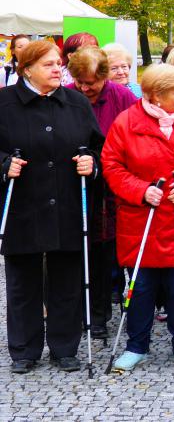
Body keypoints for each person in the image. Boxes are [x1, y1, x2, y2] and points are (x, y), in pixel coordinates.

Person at [102, 63, 174, 371]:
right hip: (142, 219)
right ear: (156, 95)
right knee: (140, 287)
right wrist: (140, 190)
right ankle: (136, 346)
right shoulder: (126, 123)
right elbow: (111, 165)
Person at [0, 40, 103, 374]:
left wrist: (92, 162)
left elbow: (98, 148)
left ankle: (64, 347)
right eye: (48, 64)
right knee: (22, 282)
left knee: (67, 280)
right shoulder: (4, 103)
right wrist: (3, 164)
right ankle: (24, 349)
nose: (58, 69)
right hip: (22, 206)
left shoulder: (76, 102)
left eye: (58, 63)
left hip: (68, 204)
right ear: (26, 69)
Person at [67, 46, 138, 339]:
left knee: (105, 252)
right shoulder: (66, 96)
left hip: (113, 188)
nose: (85, 88)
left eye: (91, 83)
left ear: (104, 77)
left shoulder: (122, 98)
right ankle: (77, 313)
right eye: (80, 82)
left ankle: (100, 314)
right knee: (79, 252)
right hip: (75, 185)